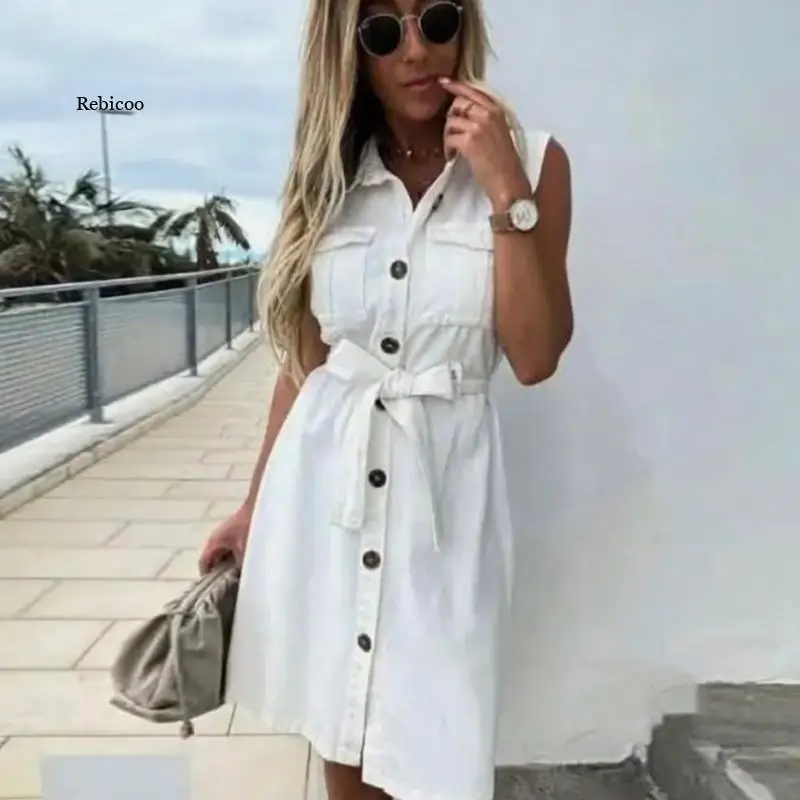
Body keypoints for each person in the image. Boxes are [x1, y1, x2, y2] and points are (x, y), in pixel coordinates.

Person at [199, 1, 573, 798]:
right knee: (344, 735)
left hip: (446, 510)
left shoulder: (535, 162)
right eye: (382, 31)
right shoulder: (327, 175)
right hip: (328, 495)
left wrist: (505, 189)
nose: (415, 49)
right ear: (350, 49)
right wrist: (251, 509)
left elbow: (536, 356)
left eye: (435, 19)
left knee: (442, 748)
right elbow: (306, 367)